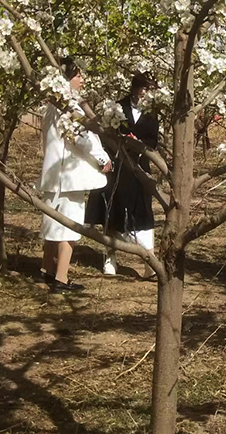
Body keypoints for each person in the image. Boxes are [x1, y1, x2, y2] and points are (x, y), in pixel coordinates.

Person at [38, 58, 112, 294]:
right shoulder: (68, 107)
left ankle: (47, 270)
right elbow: (81, 138)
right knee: (68, 228)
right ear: (66, 79)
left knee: (52, 224)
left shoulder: (51, 107)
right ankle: (61, 278)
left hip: (54, 175)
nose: (83, 80)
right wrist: (103, 158)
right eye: (78, 76)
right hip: (68, 177)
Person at [86, 72, 159, 278]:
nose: (144, 93)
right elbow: (106, 134)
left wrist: (139, 144)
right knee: (113, 210)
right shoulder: (117, 108)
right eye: (142, 88)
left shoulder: (153, 111)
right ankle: (110, 257)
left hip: (140, 166)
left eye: (148, 89)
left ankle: (149, 260)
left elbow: (153, 140)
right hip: (118, 165)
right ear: (134, 88)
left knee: (143, 211)